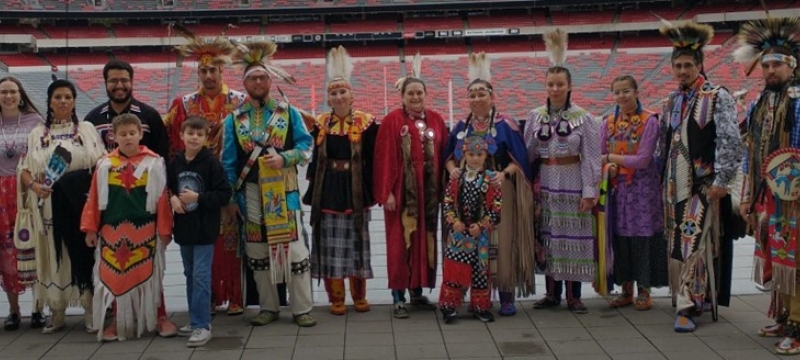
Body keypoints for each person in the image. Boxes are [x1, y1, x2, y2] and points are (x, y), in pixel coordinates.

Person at [221, 41, 316, 327]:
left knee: (294, 250)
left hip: (285, 192)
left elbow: (306, 146)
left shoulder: (288, 113)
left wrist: (285, 158)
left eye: (262, 77)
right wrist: (230, 199)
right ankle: (268, 306)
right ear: (245, 84)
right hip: (249, 193)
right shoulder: (234, 120)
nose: (258, 82)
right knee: (258, 252)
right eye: (253, 78)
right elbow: (228, 162)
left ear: (270, 81)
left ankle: (301, 308)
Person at [658, 21, 742, 333]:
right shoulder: (670, 100)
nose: (682, 71)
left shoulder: (717, 96)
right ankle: (693, 295)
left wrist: (722, 180)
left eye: (687, 65)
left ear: (699, 65)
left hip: (703, 185)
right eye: (677, 66)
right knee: (679, 243)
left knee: (694, 243)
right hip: (673, 186)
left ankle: (688, 306)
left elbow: (730, 140)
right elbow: (664, 144)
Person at [443, 52, 534, 316]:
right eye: (472, 95)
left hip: (498, 190)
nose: (476, 98)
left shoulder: (506, 125)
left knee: (502, 242)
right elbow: (448, 158)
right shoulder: (461, 127)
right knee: (467, 239)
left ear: (492, 97)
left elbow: (520, 161)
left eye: (481, 94)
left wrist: (503, 174)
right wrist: (453, 171)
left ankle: (505, 295)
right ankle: (470, 295)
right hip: (466, 192)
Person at [165, 24, 247, 315]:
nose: (209, 75)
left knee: (231, 241)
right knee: (203, 239)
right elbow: (168, 137)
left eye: (214, 70)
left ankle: (235, 294)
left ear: (222, 72)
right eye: (203, 71)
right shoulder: (185, 104)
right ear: (197, 73)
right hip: (194, 184)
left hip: (231, 181)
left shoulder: (239, 102)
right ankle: (208, 296)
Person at [18, 79, 106, 333]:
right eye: (57, 97)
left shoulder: (87, 129)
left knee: (82, 253)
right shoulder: (37, 133)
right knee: (54, 255)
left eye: (68, 97)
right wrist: (35, 186)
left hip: (80, 202)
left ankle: (90, 308)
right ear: (49, 102)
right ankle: (57, 311)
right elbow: (24, 169)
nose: (63, 101)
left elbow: (101, 162)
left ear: (74, 101)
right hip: (49, 205)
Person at [734, 17, 800, 354]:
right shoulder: (759, 104)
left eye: (777, 64)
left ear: (792, 66)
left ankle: (799, 323)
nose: (771, 70)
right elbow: (750, 154)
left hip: (794, 198)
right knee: (777, 255)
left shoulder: (799, 102)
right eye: (766, 65)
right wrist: (747, 196)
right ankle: (785, 315)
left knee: (796, 258)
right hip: (768, 197)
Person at [524, 29, 601, 314]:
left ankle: (574, 296)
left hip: (573, 181)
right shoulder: (535, 116)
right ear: (545, 86)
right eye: (550, 84)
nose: (555, 89)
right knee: (548, 237)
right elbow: (528, 153)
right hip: (545, 182)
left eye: (559, 84)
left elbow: (592, 157)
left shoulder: (585, 119)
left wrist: (590, 191)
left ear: (569, 86)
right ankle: (551, 293)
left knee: (573, 238)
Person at [80, 114, 172, 342]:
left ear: (140, 134)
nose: (128, 137)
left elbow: (162, 199)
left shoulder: (154, 163)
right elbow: (94, 198)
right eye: (123, 134)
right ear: (114, 137)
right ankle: (118, 322)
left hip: (146, 228)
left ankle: (160, 317)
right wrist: (90, 228)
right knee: (115, 277)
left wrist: (165, 230)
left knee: (151, 275)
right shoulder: (105, 165)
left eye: (132, 133)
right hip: (112, 230)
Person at [303, 46, 378, 315]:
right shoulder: (320, 123)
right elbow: (313, 158)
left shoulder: (368, 123)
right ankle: (336, 297)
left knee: (358, 242)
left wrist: (375, 188)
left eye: (343, 91)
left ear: (352, 94)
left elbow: (374, 158)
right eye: (333, 93)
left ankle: (359, 295)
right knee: (330, 245)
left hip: (356, 188)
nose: (339, 96)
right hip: (329, 189)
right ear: (328, 98)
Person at [373, 53, 448, 319]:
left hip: (428, 193)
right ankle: (398, 296)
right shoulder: (392, 120)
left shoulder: (437, 120)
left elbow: (446, 156)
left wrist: (444, 191)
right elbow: (383, 158)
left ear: (426, 95)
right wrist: (387, 193)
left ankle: (417, 291)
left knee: (424, 240)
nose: (415, 97)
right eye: (410, 93)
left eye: (419, 93)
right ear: (402, 96)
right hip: (402, 193)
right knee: (399, 243)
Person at [601, 75, 668, 311]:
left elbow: (642, 160)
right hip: (618, 191)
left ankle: (644, 290)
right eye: (617, 92)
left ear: (636, 92)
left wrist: (610, 158)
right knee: (621, 238)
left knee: (643, 237)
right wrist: (607, 166)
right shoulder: (608, 122)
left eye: (626, 91)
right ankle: (626, 290)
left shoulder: (650, 121)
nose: (621, 96)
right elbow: (598, 156)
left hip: (643, 190)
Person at [168, 116, 231, 347]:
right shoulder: (175, 162)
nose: (194, 138)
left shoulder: (212, 163)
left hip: (205, 230)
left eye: (200, 134)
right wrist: (173, 199)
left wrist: (198, 197)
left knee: (201, 276)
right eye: (190, 133)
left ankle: (202, 325)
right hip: (184, 229)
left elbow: (224, 194)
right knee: (190, 275)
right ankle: (195, 319)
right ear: (181, 135)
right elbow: (168, 187)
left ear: (206, 138)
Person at [0, 76, 47, 331]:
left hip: (27, 190)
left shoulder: (35, 121)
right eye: (3, 92)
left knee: (33, 246)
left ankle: (38, 308)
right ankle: (14, 310)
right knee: (6, 252)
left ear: (21, 95)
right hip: (0, 194)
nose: (8, 96)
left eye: (12, 91)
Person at [440, 136, 502, 324]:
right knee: (454, 271)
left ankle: (480, 306)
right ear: (464, 154)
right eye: (471, 154)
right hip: (458, 233)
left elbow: (496, 207)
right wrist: (453, 221)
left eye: (479, 154)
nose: (475, 158)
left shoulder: (491, 179)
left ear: (486, 155)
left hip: (480, 235)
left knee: (480, 272)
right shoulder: (456, 178)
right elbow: (447, 202)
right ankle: (449, 306)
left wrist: (482, 225)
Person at [85, 59, 169, 159]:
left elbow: (163, 155)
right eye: (113, 81)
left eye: (124, 80)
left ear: (131, 82)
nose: (119, 85)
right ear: (105, 83)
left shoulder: (150, 116)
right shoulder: (92, 119)